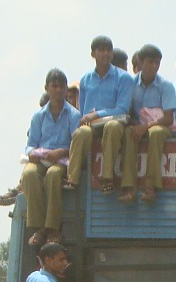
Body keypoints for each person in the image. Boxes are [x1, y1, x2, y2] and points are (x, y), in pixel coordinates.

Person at [64, 35, 134, 194]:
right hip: (92, 125)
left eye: (108, 50)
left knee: (112, 127)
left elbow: (122, 108)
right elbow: (82, 111)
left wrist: (97, 114)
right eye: (101, 50)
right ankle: (72, 179)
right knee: (81, 132)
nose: (106, 54)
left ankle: (107, 178)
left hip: (115, 121)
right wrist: (89, 118)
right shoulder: (86, 79)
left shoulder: (123, 78)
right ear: (93, 54)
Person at [21, 68, 80, 247]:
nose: (58, 90)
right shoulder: (39, 116)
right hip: (41, 158)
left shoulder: (73, 115)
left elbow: (75, 145)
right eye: (54, 86)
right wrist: (32, 153)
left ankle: (52, 228)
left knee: (53, 176)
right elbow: (31, 144)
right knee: (29, 174)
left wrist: (60, 153)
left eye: (61, 86)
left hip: (62, 160)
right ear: (47, 88)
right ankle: (38, 227)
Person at [118, 44, 176, 204]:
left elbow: (168, 119)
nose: (154, 66)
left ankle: (150, 186)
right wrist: (137, 125)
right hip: (138, 126)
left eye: (157, 63)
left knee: (156, 132)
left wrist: (146, 126)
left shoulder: (165, 85)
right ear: (140, 61)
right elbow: (125, 113)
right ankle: (129, 187)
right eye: (150, 62)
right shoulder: (130, 84)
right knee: (129, 133)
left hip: (162, 127)